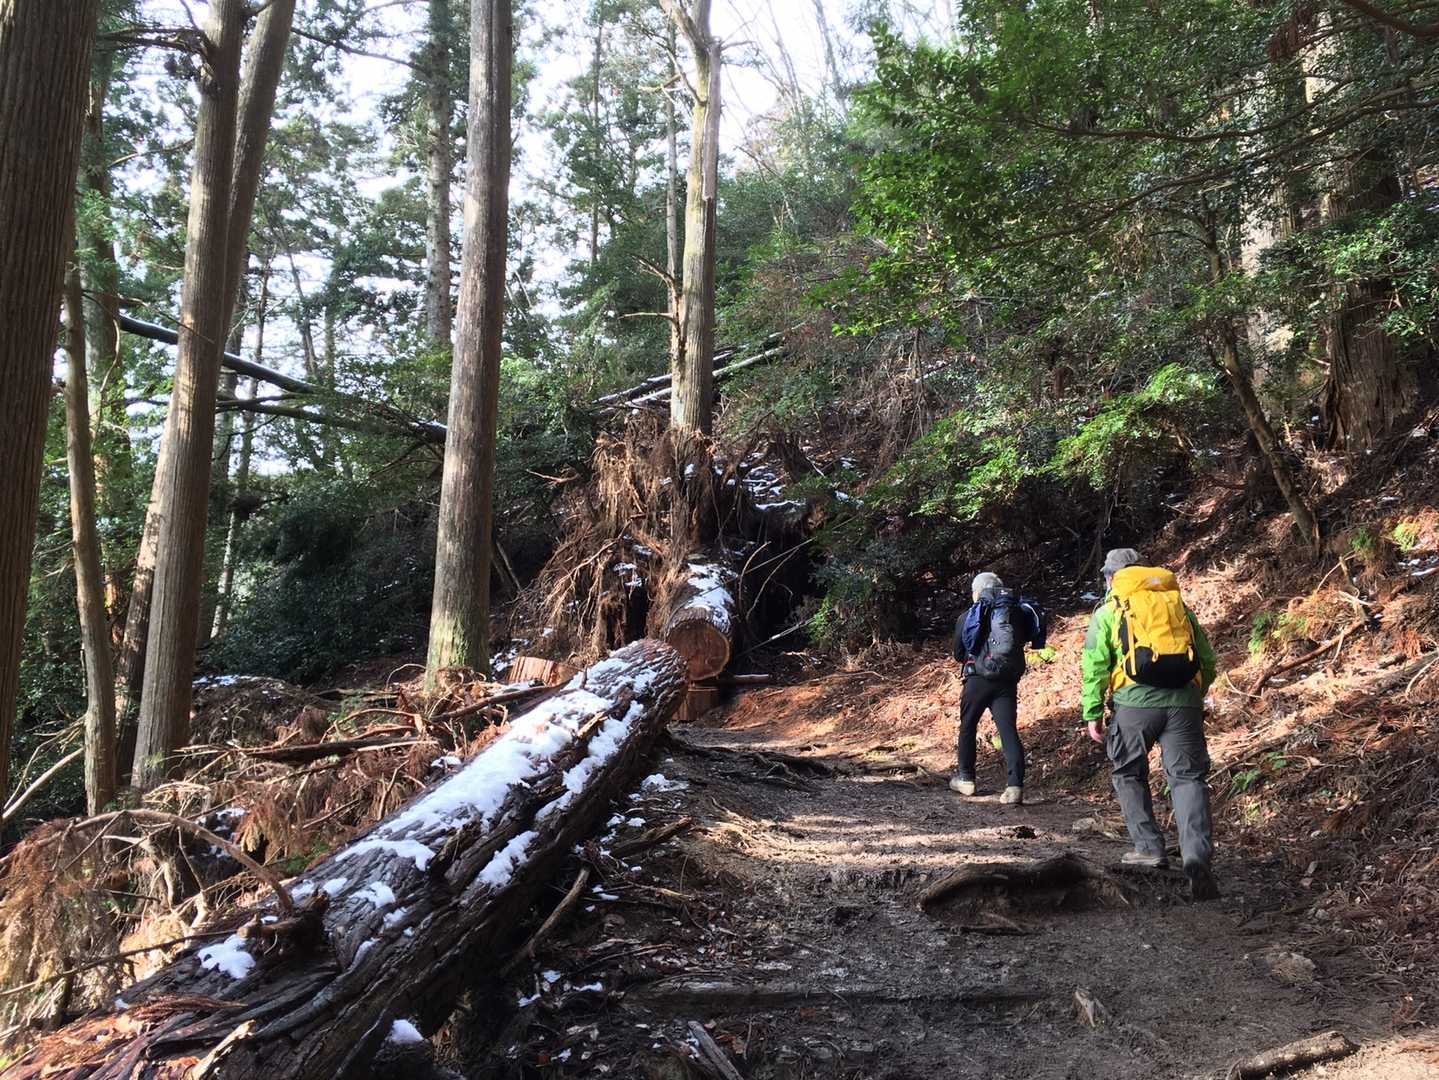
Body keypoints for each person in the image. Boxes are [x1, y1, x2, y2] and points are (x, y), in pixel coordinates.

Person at [1081, 548, 1221, 901]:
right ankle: (1196, 855)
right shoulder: (1178, 606)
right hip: (1184, 702)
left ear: (1111, 577)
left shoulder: (1110, 610)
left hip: (1134, 704)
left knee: (1128, 772)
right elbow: (1206, 659)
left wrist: (1092, 711)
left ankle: (1148, 848)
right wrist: (1193, 696)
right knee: (1188, 778)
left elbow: (1095, 664)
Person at [950, 572, 1046, 805]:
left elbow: (959, 654)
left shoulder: (968, 616)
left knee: (968, 726)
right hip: (1007, 680)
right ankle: (1015, 786)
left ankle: (966, 779)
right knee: (1008, 730)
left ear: (977, 593)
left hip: (977, 680)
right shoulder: (1016, 613)